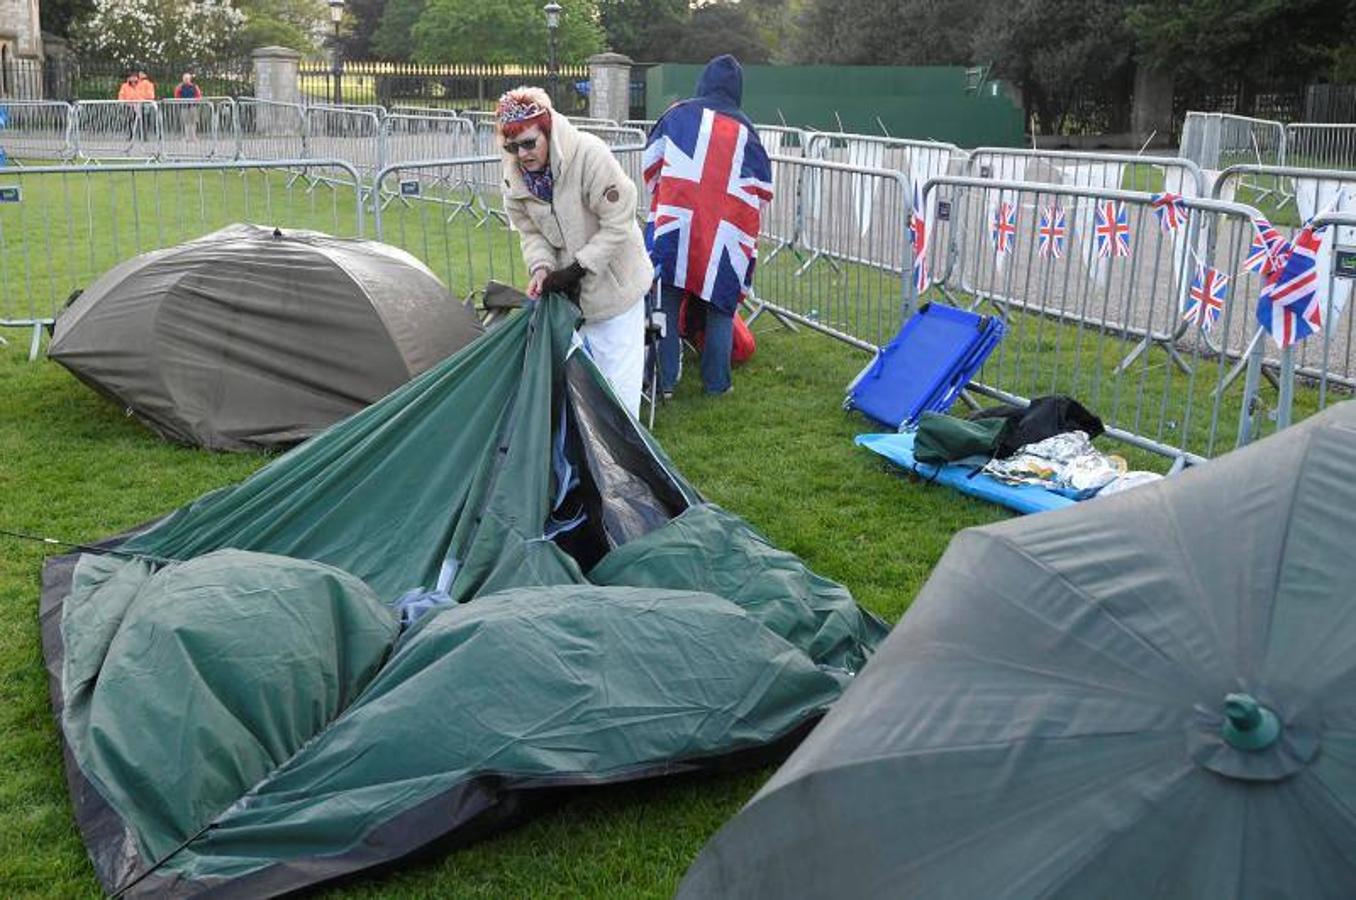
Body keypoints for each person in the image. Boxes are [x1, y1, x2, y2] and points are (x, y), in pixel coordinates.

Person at [496, 86, 652, 418]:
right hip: (571, 299)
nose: (522, 154)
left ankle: (624, 466)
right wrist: (541, 268)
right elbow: (531, 232)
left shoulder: (589, 154)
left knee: (619, 391)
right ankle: (586, 465)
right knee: (578, 391)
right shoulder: (514, 181)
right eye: (512, 146)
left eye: (528, 142)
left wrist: (579, 268)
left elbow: (619, 221)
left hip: (616, 290)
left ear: (547, 130)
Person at [643, 54, 773, 397]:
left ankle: (665, 381)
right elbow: (763, 189)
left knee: (666, 302)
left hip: (677, 226)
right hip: (726, 233)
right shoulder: (748, 131)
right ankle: (717, 384)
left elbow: (650, 165)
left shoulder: (676, 115)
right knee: (720, 307)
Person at [174, 72, 202, 141]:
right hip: (184, 107)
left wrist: (196, 101)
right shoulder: (179, 87)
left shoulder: (194, 86)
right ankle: (187, 137)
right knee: (186, 122)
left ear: (190, 79)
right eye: (185, 78)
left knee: (193, 122)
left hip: (193, 106)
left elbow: (198, 95)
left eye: (187, 78)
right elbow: (176, 95)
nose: (186, 80)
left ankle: (193, 137)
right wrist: (179, 102)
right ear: (183, 79)